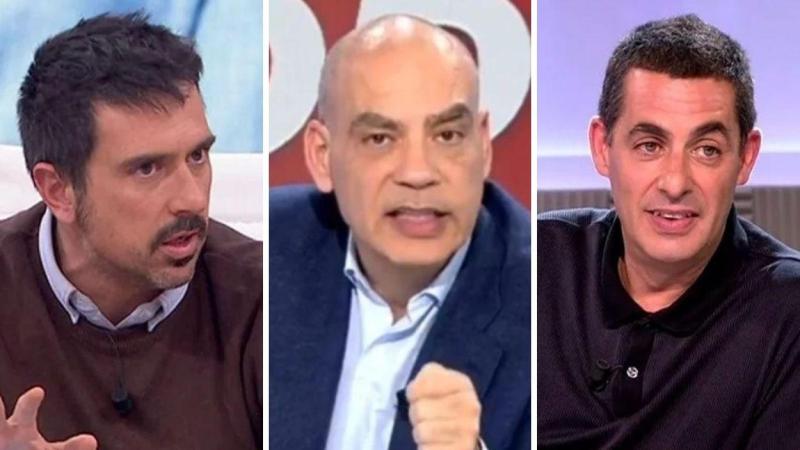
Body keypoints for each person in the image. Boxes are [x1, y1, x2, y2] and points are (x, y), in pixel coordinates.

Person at [0, 13, 262, 450]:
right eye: (147, 168)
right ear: (58, 189)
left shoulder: (264, 300)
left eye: (197, 156)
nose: (191, 199)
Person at [269, 15, 531, 450]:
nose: (418, 172)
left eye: (447, 135)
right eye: (380, 139)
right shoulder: (269, 253)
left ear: (483, 145)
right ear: (322, 156)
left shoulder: (546, 304)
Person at [538, 14, 800, 448]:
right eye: (650, 146)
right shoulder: (536, 265)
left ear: (746, 157)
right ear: (602, 147)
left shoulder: (788, 312)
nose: (675, 183)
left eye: (707, 150)